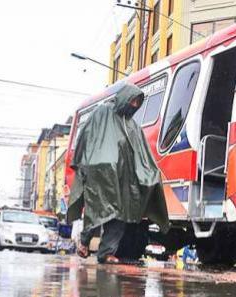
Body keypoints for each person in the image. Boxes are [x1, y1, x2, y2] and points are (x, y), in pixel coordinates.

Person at [66, 84, 169, 264]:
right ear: (124, 97)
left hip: (124, 179)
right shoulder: (103, 112)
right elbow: (87, 136)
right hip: (101, 174)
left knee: (120, 216)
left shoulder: (132, 125)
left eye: (138, 102)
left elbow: (142, 153)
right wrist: (88, 161)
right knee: (99, 209)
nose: (135, 105)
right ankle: (84, 243)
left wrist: (149, 172)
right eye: (133, 100)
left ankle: (106, 253)